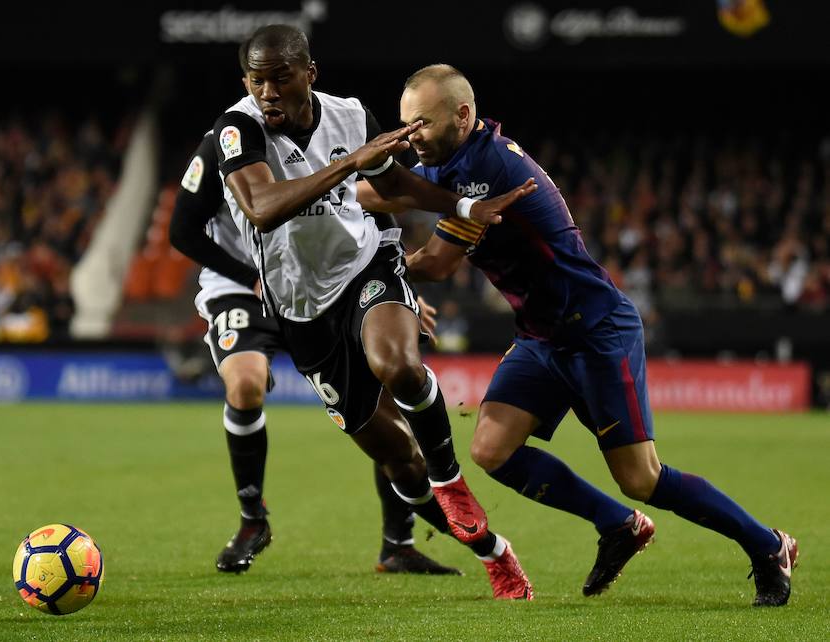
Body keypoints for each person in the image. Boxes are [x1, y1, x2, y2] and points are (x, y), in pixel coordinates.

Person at [360, 63, 798, 606]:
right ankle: (618, 526)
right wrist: (317, 197)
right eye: (405, 125)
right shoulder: (451, 160)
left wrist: (361, 269)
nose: (410, 137)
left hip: (595, 332)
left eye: (420, 124)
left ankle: (767, 545)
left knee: (642, 478)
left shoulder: (486, 170)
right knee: (492, 449)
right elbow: (384, 194)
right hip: (542, 337)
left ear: (463, 115)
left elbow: (435, 263)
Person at [211, 24, 538, 599]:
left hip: (365, 263)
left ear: (308, 75)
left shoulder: (348, 115)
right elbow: (261, 209)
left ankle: (453, 481)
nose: (267, 92)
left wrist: (464, 204)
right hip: (300, 310)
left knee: (398, 364)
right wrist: (351, 163)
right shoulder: (237, 130)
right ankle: (493, 550)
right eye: (257, 80)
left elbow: (396, 188)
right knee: (400, 462)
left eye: (280, 79)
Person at [169, 129, 460, 576]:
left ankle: (398, 544)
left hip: (325, 284)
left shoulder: (324, 135)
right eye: (260, 82)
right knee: (245, 384)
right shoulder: (221, 143)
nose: (272, 97)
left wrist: (395, 286)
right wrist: (247, 276)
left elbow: (360, 211)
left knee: (384, 402)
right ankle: (252, 520)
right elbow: (183, 230)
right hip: (244, 287)